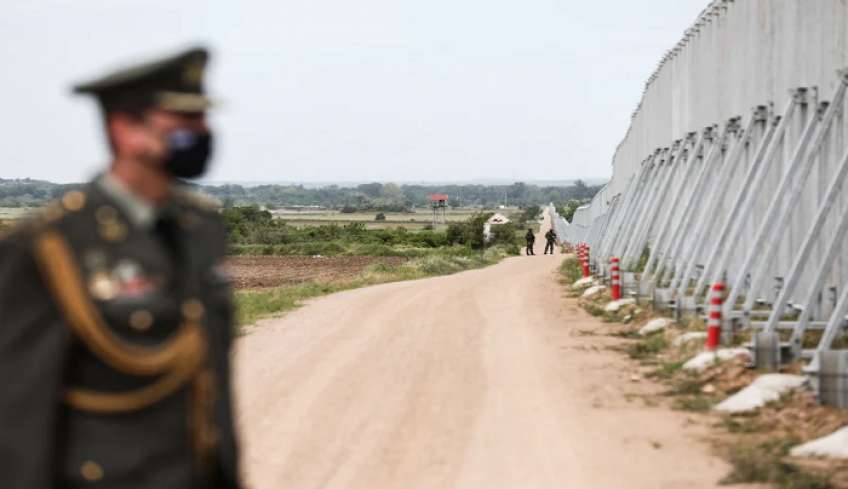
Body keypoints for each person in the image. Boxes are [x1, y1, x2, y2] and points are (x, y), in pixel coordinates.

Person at [0, 47, 241, 488]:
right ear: (126, 129)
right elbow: (18, 416)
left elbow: (212, 397)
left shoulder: (201, 229)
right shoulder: (50, 246)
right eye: (184, 120)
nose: (203, 131)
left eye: (202, 118)